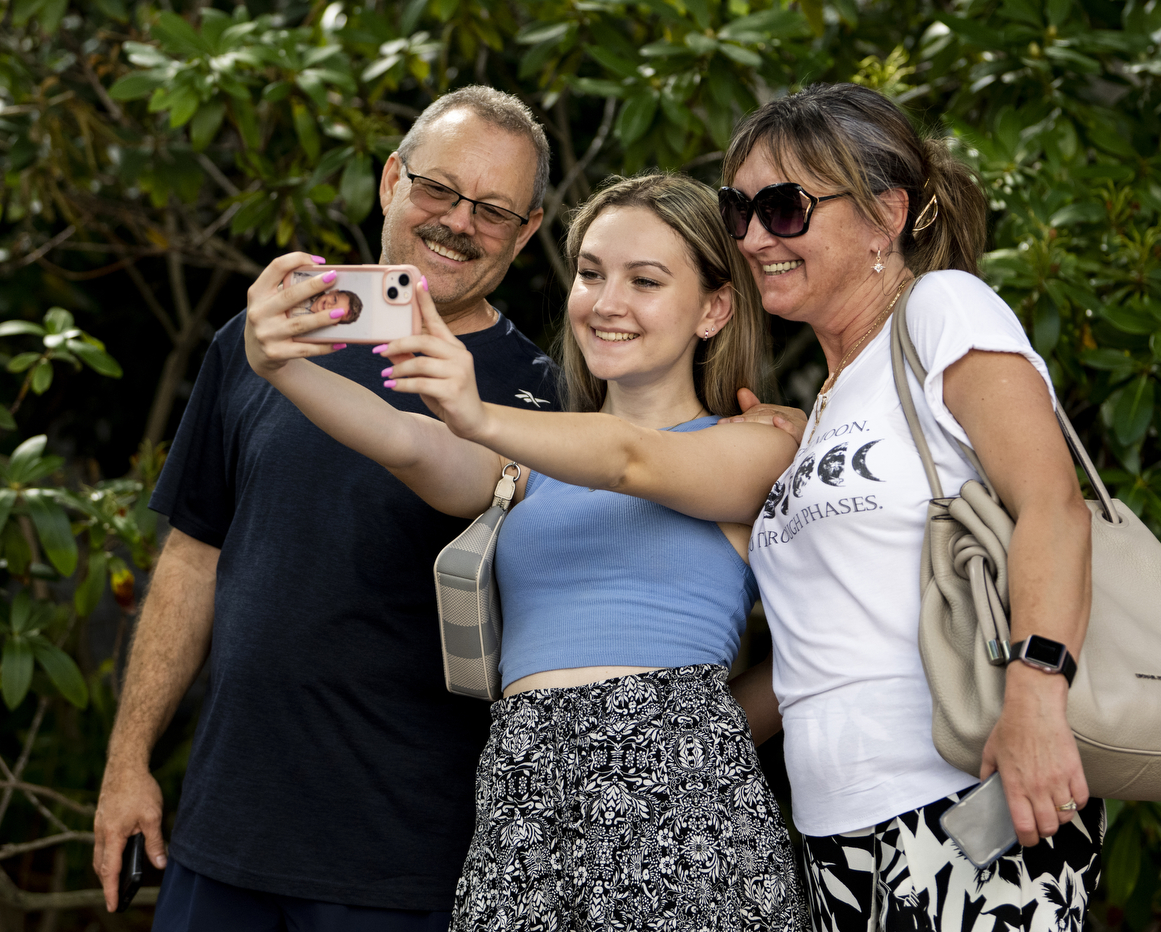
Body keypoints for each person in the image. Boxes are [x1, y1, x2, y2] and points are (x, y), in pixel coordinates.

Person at [244, 173, 808, 932]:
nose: (606, 302)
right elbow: (409, 441)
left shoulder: (755, 447)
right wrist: (281, 367)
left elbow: (628, 459)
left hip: (679, 797)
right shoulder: (530, 467)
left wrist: (478, 413)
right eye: (590, 273)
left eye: (645, 280)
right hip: (523, 789)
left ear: (714, 308)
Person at [92, 86, 565, 930]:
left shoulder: (549, 399)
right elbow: (193, 555)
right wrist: (128, 763)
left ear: (527, 232)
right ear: (391, 181)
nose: (459, 222)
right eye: (439, 189)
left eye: (493, 209)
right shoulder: (262, 341)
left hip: (408, 862)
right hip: (221, 834)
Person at [718, 83, 1104, 930]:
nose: (752, 237)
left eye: (784, 209)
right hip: (834, 833)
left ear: (884, 214)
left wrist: (1037, 701)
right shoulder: (824, 401)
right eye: (737, 209)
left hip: (967, 807)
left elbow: (1053, 507)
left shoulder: (940, 309)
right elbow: (821, 655)